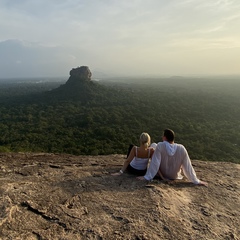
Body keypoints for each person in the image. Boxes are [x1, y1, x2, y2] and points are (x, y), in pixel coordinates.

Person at [137, 129, 208, 186]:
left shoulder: (160, 145)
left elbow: (155, 162)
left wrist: (147, 177)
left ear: (164, 137)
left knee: (153, 145)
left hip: (161, 174)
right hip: (174, 176)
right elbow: (188, 166)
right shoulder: (181, 148)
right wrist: (196, 180)